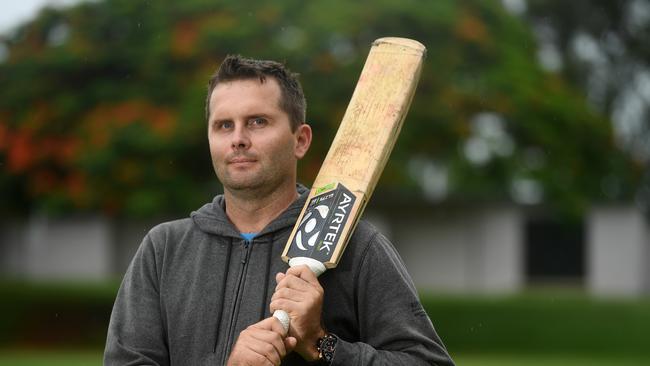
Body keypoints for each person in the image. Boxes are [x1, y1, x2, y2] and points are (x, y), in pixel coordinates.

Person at [104, 55, 455, 366]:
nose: (238, 138)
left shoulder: (356, 244)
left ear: (300, 140)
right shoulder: (164, 249)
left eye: (257, 121)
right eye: (224, 125)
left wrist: (323, 345)